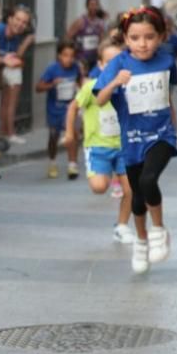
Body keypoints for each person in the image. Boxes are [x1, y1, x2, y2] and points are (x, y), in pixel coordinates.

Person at [94, 7, 177, 275]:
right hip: (132, 140)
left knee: (148, 180)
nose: (143, 44)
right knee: (137, 197)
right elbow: (99, 99)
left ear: (161, 36)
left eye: (149, 37)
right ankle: (140, 241)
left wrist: (173, 125)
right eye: (135, 38)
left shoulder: (166, 60)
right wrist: (115, 83)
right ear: (126, 38)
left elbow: (168, 94)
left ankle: (158, 230)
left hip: (162, 135)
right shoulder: (118, 64)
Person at [65, 38, 134, 243]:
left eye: (118, 62)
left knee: (131, 190)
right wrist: (70, 132)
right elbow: (73, 107)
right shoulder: (91, 86)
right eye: (109, 62)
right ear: (101, 65)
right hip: (98, 147)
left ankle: (121, 226)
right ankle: (104, 175)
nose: (114, 66)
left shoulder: (128, 87)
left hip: (123, 147)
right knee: (99, 187)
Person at [37, 39, 81, 180]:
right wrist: (52, 84)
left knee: (73, 135)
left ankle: (72, 165)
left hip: (70, 109)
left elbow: (81, 82)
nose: (69, 59)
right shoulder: (52, 69)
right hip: (54, 109)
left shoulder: (76, 68)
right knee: (54, 136)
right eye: (65, 55)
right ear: (59, 56)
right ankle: (52, 162)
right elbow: (38, 87)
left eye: (72, 56)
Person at [0, 5, 35, 144]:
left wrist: (25, 43)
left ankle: (7, 132)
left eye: (24, 22)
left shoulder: (18, 36)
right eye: (18, 19)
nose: (20, 24)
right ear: (10, 18)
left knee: (9, 102)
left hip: (7, 68)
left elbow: (17, 57)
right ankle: (3, 132)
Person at [65, 0, 106, 71]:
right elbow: (68, 37)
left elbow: (101, 40)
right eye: (92, 5)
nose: (94, 7)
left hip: (94, 58)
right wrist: (72, 52)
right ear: (87, 6)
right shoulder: (80, 21)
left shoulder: (100, 23)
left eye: (96, 5)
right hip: (81, 58)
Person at [162, 13, 177, 90]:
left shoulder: (175, 39)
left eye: (168, 24)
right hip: (156, 73)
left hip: (170, 72)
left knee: (167, 97)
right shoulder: (155, 38)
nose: (166, 27)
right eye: (164, 24)